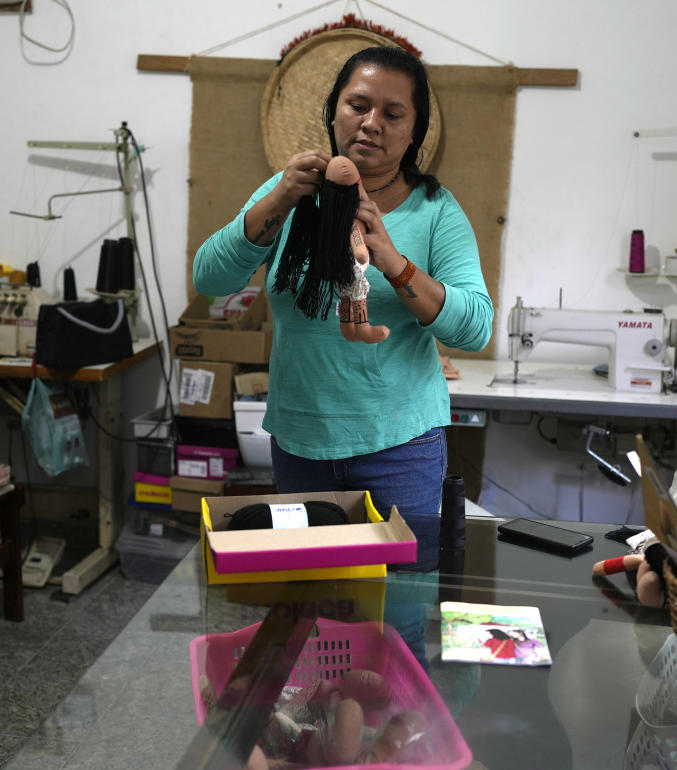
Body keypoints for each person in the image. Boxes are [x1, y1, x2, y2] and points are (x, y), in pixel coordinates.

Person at [193, 45, 494, 517]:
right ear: (333, 111)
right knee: (315, 588)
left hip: (401, 448)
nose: (372, 122)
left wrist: (393, 262)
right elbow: (210, 278)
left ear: (413, 132)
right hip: (299, 442)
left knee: (401, 588)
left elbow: (474, 329)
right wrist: (278, 200)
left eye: (393, 114)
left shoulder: (435, 210)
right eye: (358, 105)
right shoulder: (288, 194)